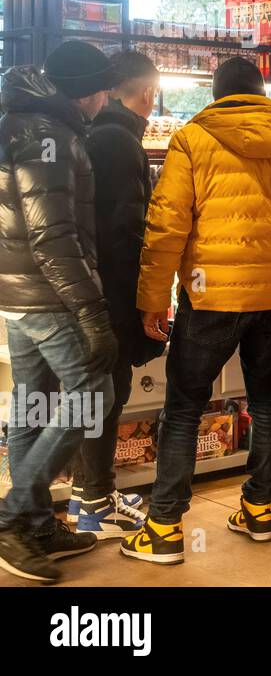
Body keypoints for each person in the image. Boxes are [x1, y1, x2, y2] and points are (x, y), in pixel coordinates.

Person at [120, 56, 271, 566]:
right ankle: (260, 509)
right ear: (263, 93)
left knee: (183, 408)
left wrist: (151, 297)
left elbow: (167, 226)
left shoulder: (192, 141)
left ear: (215, 96)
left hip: (209, 295)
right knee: (266, 400)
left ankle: (164, 526)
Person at [0, 41, 120, 583]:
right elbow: (53, 236)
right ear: (87, 90)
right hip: (47, 295)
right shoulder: (49, 135)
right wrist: (93, 315)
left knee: (31, 402)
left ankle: (33, 521)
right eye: (104, 89)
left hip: (18, 292)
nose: (106, 100)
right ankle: (12, 520)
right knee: (95, 394)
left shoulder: (22, 121)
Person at [66, 51, 163, 540]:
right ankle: (96, 501)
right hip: (110, 292)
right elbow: (126, 232)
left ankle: (90, 497)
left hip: (81, 287)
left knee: (93, 395)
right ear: (146, 92)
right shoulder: (119, 142)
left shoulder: (89, 132)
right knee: (108, 394)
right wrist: (145, 300)